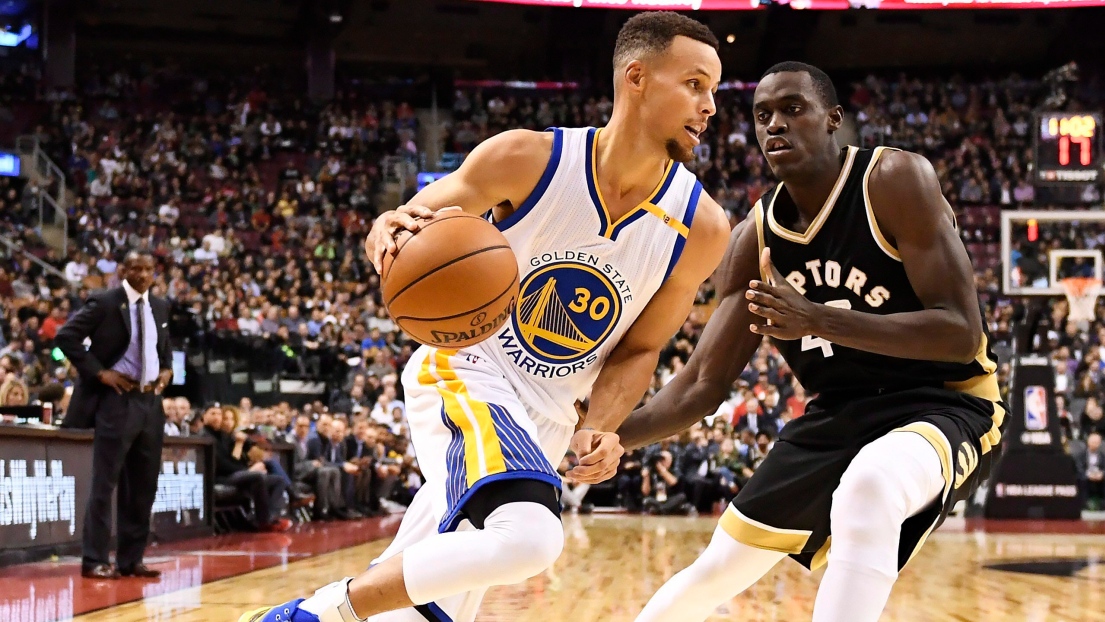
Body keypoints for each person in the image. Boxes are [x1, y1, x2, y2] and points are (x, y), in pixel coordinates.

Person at [241, 11, 730, 622]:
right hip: (467, 370)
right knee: (531, 538)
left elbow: (640, 348)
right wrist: (386, 231)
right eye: (694, 84)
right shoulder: (526, 158)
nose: (710, 105)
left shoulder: (703, 227)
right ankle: (303, 615)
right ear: (636, 77)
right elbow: (408, 224)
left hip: (546, 425)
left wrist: (601, 426)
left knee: (416, 605)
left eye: (712, 89)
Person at [619, 62, 1008, 622]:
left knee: (869, 486)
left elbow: (959, 333)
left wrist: (818, 319)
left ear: (832, 120)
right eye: (762, 115)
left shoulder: (893, 180)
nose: (775, 125)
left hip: (949, 403)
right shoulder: (755, 236)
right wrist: (605, 437)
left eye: (793, 109)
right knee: (721, 565)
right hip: (840, 416)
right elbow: (703, 385)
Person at [55, 251, 174, 580]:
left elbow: (164, 347)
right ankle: (94, 559)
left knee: (143, 485)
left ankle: (131, 559)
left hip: (151, 402)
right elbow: (65, 336)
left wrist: (167, 370)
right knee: (105, 483)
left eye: (148, 268)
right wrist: (100, 372)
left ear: (154, 271)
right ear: (123, 270)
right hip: (117, 399)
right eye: (136, 267)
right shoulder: (106, 301)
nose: (142, 273)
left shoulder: (161, 306)